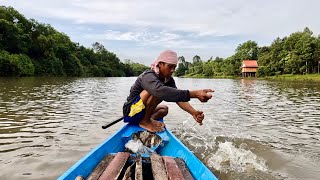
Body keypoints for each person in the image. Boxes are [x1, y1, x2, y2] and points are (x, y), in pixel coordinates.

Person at [123, 50, 214, 132]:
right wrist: (195, 94)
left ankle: (148, 120)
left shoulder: (169, 80)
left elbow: (178, 98)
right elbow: (159, 91)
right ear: (160, 64)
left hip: (140, 110)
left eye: (174, 67)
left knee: (164, 109)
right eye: (170, 66)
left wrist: (193, 112)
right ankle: (145, 121)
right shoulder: (148, 76)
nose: (172, 70)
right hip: (130, 112)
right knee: (157, 91)